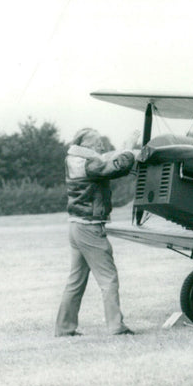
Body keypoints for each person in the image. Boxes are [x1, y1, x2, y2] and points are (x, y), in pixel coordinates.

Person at [55, 128, 137, 336]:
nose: (102, 146)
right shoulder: (90, 164)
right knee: (109, 278)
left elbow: (104, 161)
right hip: (90, 227)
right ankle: (116, 326)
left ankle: (64, 328)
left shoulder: (75, 160)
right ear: (88, 146)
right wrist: (128, 149)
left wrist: (118, 151)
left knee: (75, 281)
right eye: (98, 143)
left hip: (75, 226)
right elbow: (116, 167)